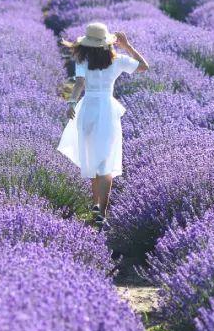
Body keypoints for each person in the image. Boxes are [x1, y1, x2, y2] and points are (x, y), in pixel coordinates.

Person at [57, 21, 149, 228]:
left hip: (87, 108)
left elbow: (79, 84)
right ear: (107, 43)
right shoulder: (117, 61)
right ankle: (102, 211)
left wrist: (71, 102)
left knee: (91, 157)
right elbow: (144, 67)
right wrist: (127, 46)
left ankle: (95, 205)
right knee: (106, 162)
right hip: (107, 110)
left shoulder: (83, 60)